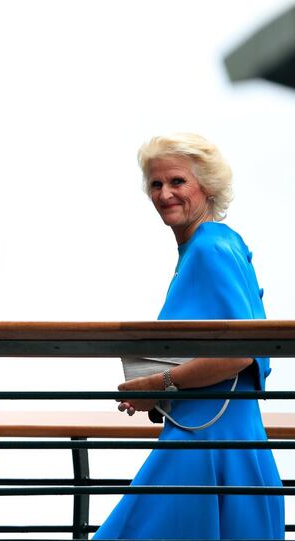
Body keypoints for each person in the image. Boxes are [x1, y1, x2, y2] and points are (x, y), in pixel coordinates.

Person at [94, 133, 284, 539]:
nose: (165, 194)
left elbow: (242, 353)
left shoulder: (209, 249)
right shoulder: (215, 244)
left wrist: (156, 383)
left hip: (208, 445)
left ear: (207, 187)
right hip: (221, 438)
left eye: (177, 182)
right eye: (156, 184)